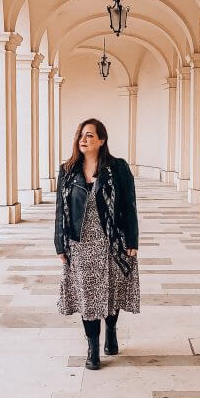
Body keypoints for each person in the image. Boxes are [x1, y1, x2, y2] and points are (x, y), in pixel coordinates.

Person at [54, 118, 140, 370]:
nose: (84, 139)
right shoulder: (67, 170)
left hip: (113, 240)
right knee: (87, 294)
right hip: (80, 243)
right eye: (81, 135)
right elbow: (61, 210)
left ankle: (111, 331)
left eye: (90, 135)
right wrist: (60, 244)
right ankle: (92, 347)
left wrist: (132, 240)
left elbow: (130, 205)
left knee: (112, 289)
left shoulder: (118, 168)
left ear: (102, 140)